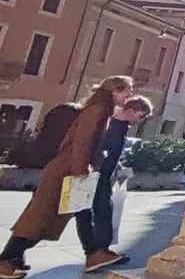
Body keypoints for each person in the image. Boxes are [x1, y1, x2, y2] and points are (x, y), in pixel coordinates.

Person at [0, 76, 134, 278]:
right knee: (40, 218)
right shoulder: (97, 110)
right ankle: (6, 259)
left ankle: (93, 254)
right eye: (127, 90)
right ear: (115, 91)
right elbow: (83, 141)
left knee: (77, 212)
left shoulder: (101, 110)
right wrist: (81, 170)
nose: (129, 95)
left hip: (70, 170)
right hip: (66, 171)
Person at [74, 96, 151, 267]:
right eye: (141, 116)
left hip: (104, 175)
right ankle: (96, 251)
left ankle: (99, 250)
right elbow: (97, 146)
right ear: (131, 110)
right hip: (94, 173)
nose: (141, 120)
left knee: (100, 210)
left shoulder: (121, 125)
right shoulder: (108, 122)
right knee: (87, 211)